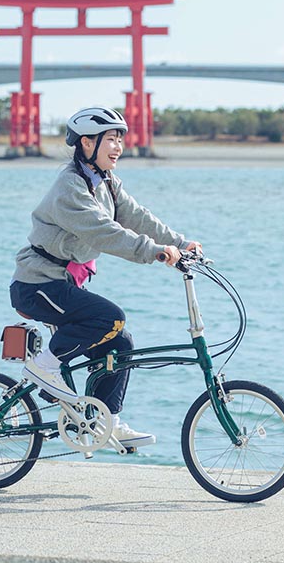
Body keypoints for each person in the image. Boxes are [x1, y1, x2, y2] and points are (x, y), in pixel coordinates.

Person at [10, 106, 201, 451]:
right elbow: (105, 233)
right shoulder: (70, 187)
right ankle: (44, 367)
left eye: (119, 140)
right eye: (110, 139)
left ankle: (103, 422)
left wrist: (178, 242)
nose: (118, 147)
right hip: (36, 285)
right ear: (86, 143)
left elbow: (136, 216)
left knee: (121, 342)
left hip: (62, 285)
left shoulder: (107, 183)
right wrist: (154, 252)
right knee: (109, 317)